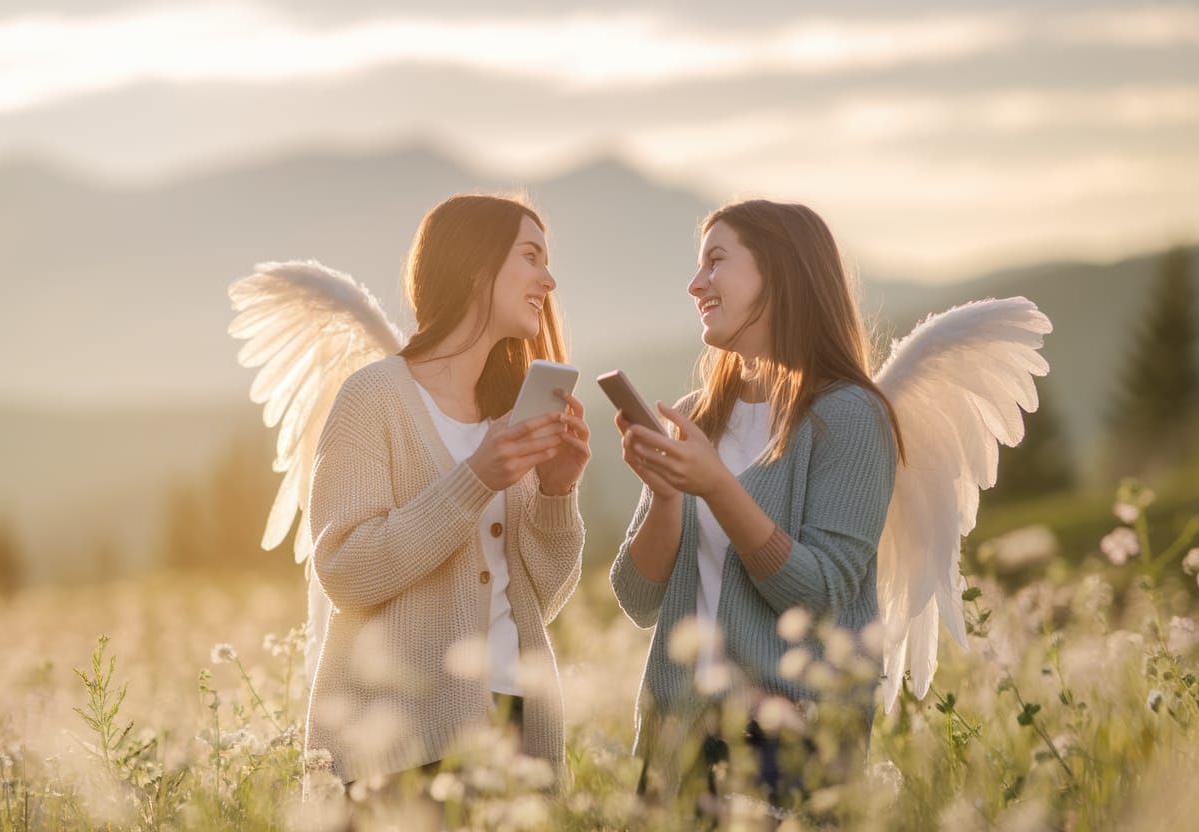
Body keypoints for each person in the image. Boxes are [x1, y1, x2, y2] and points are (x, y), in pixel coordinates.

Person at [609, 199, 906, 811]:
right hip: (678, 741)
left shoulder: (848, 416)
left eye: (716, 262)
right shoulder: (695, 416)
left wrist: (716, 485)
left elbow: (819, 594)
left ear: (780, 273)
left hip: (791, 746)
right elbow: (638, 599)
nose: (696, 284)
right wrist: (667, 496)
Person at [304, 194, 590, 789]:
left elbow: (541, 602)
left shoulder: (507, 414)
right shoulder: (373, 399)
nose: (549, 278)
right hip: (400, 745)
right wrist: (475, 481)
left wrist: (559, 493)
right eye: (531, 256)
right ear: (476, 267)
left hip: (516, 730)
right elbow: (346, 572)